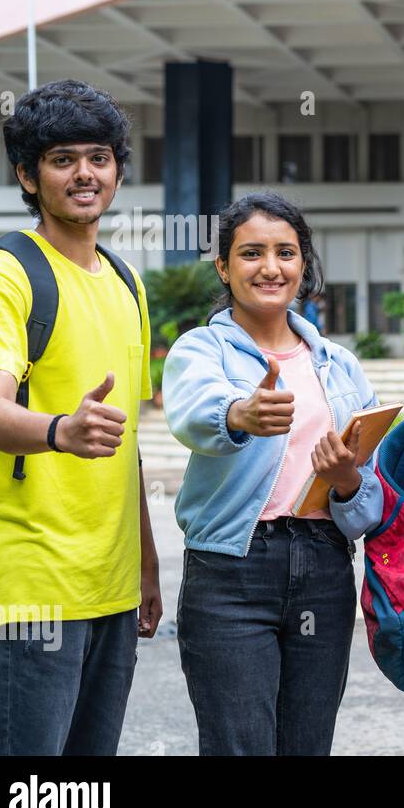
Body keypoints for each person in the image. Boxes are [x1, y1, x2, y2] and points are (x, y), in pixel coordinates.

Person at [0, 80, 161, 755]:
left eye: (99, 157)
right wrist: (59, 432)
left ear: (118, 169)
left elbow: (124, 441)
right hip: (29, 585)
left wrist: (148, 570)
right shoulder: (5, 273)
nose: (85, 173)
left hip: (109, 582)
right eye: (63, 158)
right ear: (27, 174)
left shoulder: (128, 283)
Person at [163, 193, 382, 755]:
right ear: (224, 266)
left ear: (303, 265)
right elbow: (193, 414)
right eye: (251, 253)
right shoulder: (201, 350)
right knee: (239, 746)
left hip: (324, 567)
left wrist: (347, 481)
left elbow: (370, 495)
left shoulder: (339, 365)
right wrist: (240, 414)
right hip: (231, 572)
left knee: (308, 745)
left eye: (285, 253)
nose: (270, 268)